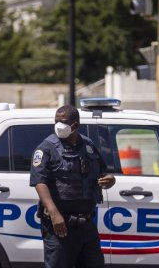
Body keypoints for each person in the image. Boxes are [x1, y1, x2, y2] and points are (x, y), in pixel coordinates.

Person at [30, 105, 116, 268]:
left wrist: (110, 179)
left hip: (86, 224)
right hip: (60, 224)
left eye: (63, 122)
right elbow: (39, 181)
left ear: (75, 125)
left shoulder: (88, 145)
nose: (58, 125)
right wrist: (54, 213)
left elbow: (102, 172)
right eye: (56, 121)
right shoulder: (46, 147)